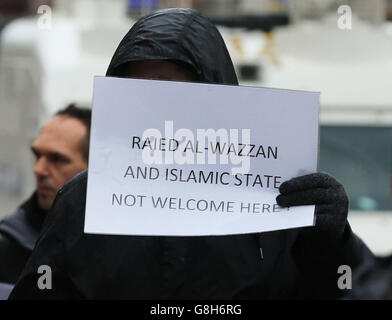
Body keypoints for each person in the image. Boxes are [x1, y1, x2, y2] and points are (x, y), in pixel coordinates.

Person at [9, 8, 373, 299]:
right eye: (134, 89)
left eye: (166, 88)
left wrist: (333, 242)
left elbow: (344, 289)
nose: (151, 104)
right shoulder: (83, 199)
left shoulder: (277, 196)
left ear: (213, 91)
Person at [0, 104, 91, 285]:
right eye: (37, 155)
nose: (38, 169)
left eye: (56, 158)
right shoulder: (7, 247)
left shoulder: (118, 255)